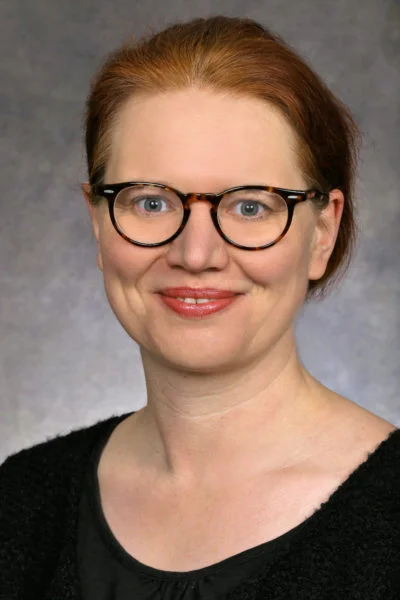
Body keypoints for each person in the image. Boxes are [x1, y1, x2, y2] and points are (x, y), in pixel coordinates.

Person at [1, 15, 399, 600]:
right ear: (98, 222)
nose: (196, 254)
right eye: (151, 202)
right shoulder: (18, 501)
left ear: (322, 233)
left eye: (251, 207)